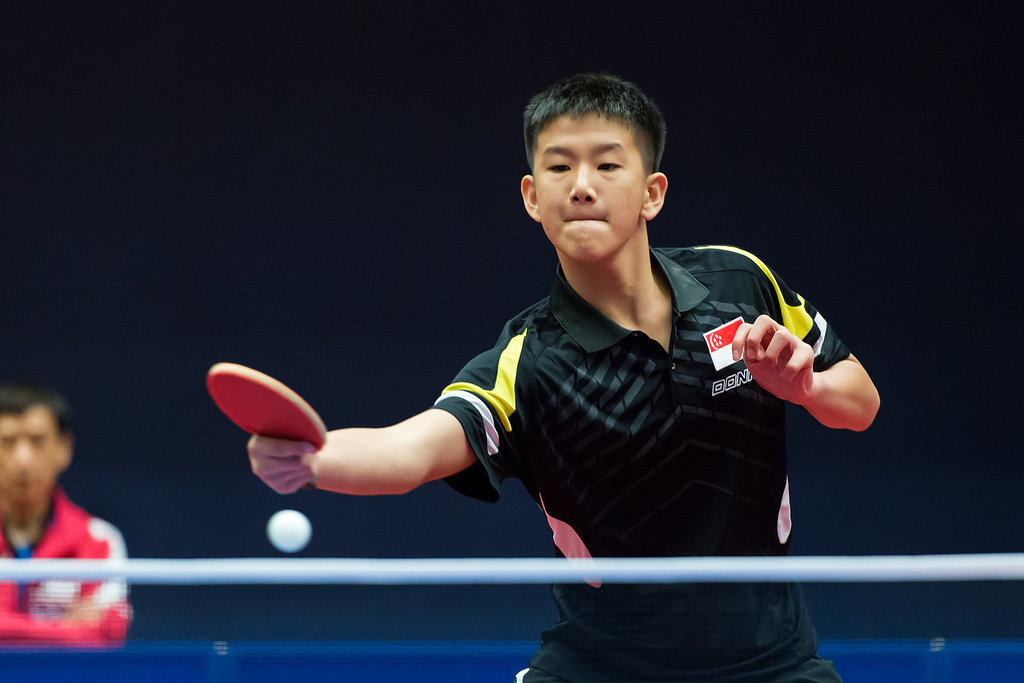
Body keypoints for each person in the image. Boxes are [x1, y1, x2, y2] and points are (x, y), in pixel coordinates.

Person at [248, 73, 880, 681]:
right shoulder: (529, 362)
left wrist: (805, 389)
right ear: (532, 197)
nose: (581, 186)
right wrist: (314, 459)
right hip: (602, 667)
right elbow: (411, 451)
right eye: (559, 167)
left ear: (652, 193)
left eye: (607, 165)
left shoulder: (739, 283)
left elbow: (860, 404)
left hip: (771, 664)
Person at [0, 382, 131, 645]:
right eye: (8, 442)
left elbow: (108, 633)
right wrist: (65, 628)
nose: (23, 459)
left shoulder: (101, 540)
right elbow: (87, 633)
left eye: (37, 441)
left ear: (64, 448)